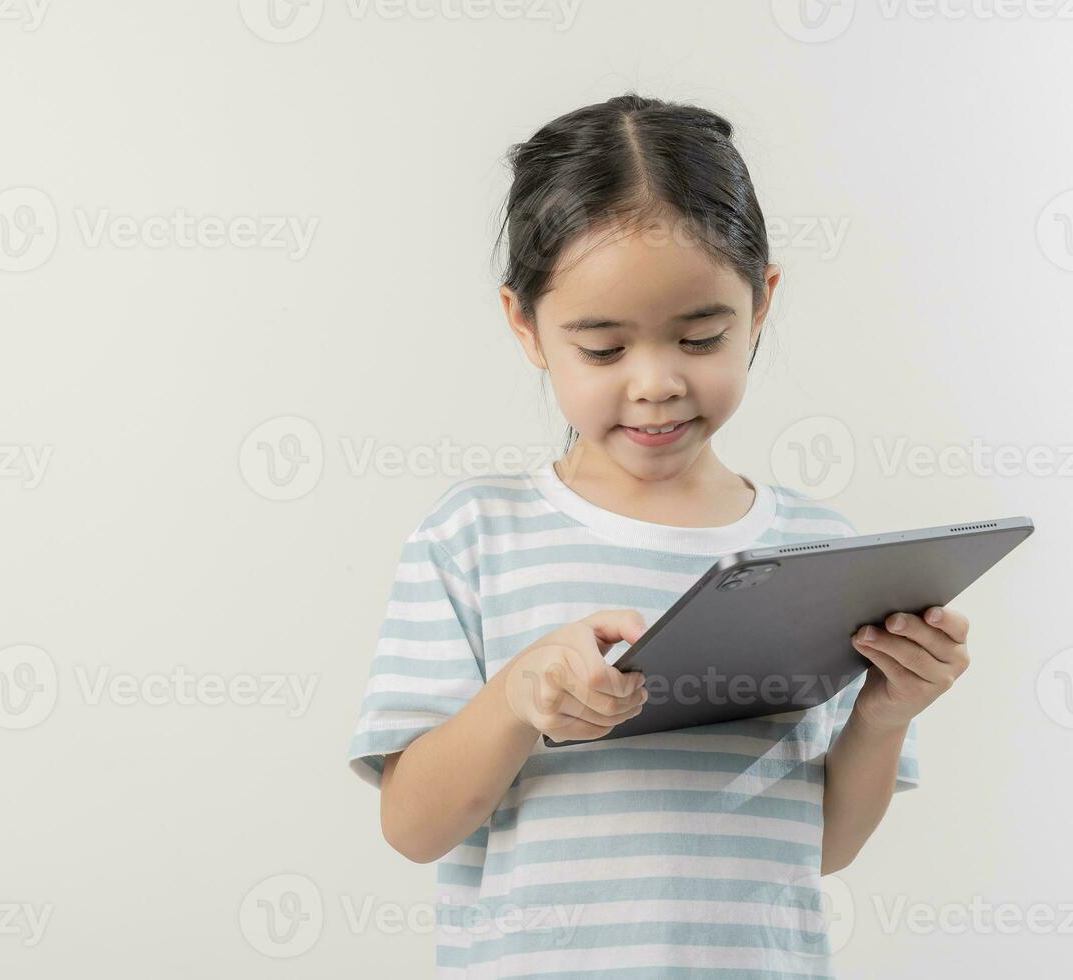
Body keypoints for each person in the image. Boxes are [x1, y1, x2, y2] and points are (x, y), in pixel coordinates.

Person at [348, 92, 972, 978]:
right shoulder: (476, 535)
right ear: (525, 325)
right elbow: (413, 828)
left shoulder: (814, 547)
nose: (656, 383)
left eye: (701, 337)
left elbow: (822, 847)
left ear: (762, 306)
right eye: (603, 350)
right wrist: (522, 697)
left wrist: (886, 713)